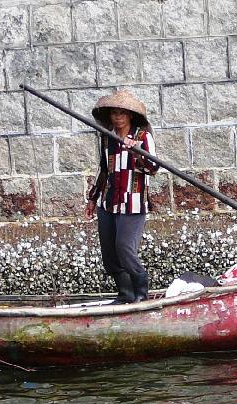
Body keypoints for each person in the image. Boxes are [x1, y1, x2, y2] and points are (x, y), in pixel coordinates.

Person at [85, 90, 158, 303]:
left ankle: (141, 295)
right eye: (114, 113)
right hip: (108, 202)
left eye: (122, 114)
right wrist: (92, 198)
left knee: (125, 249)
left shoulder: (143, 137)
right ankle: (125, 294)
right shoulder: (108, 138)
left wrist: (137, 152)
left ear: (130, 116)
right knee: (109, 255)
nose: (117, 118)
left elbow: (153, 168)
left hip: (132, 203)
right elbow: (104, 170)